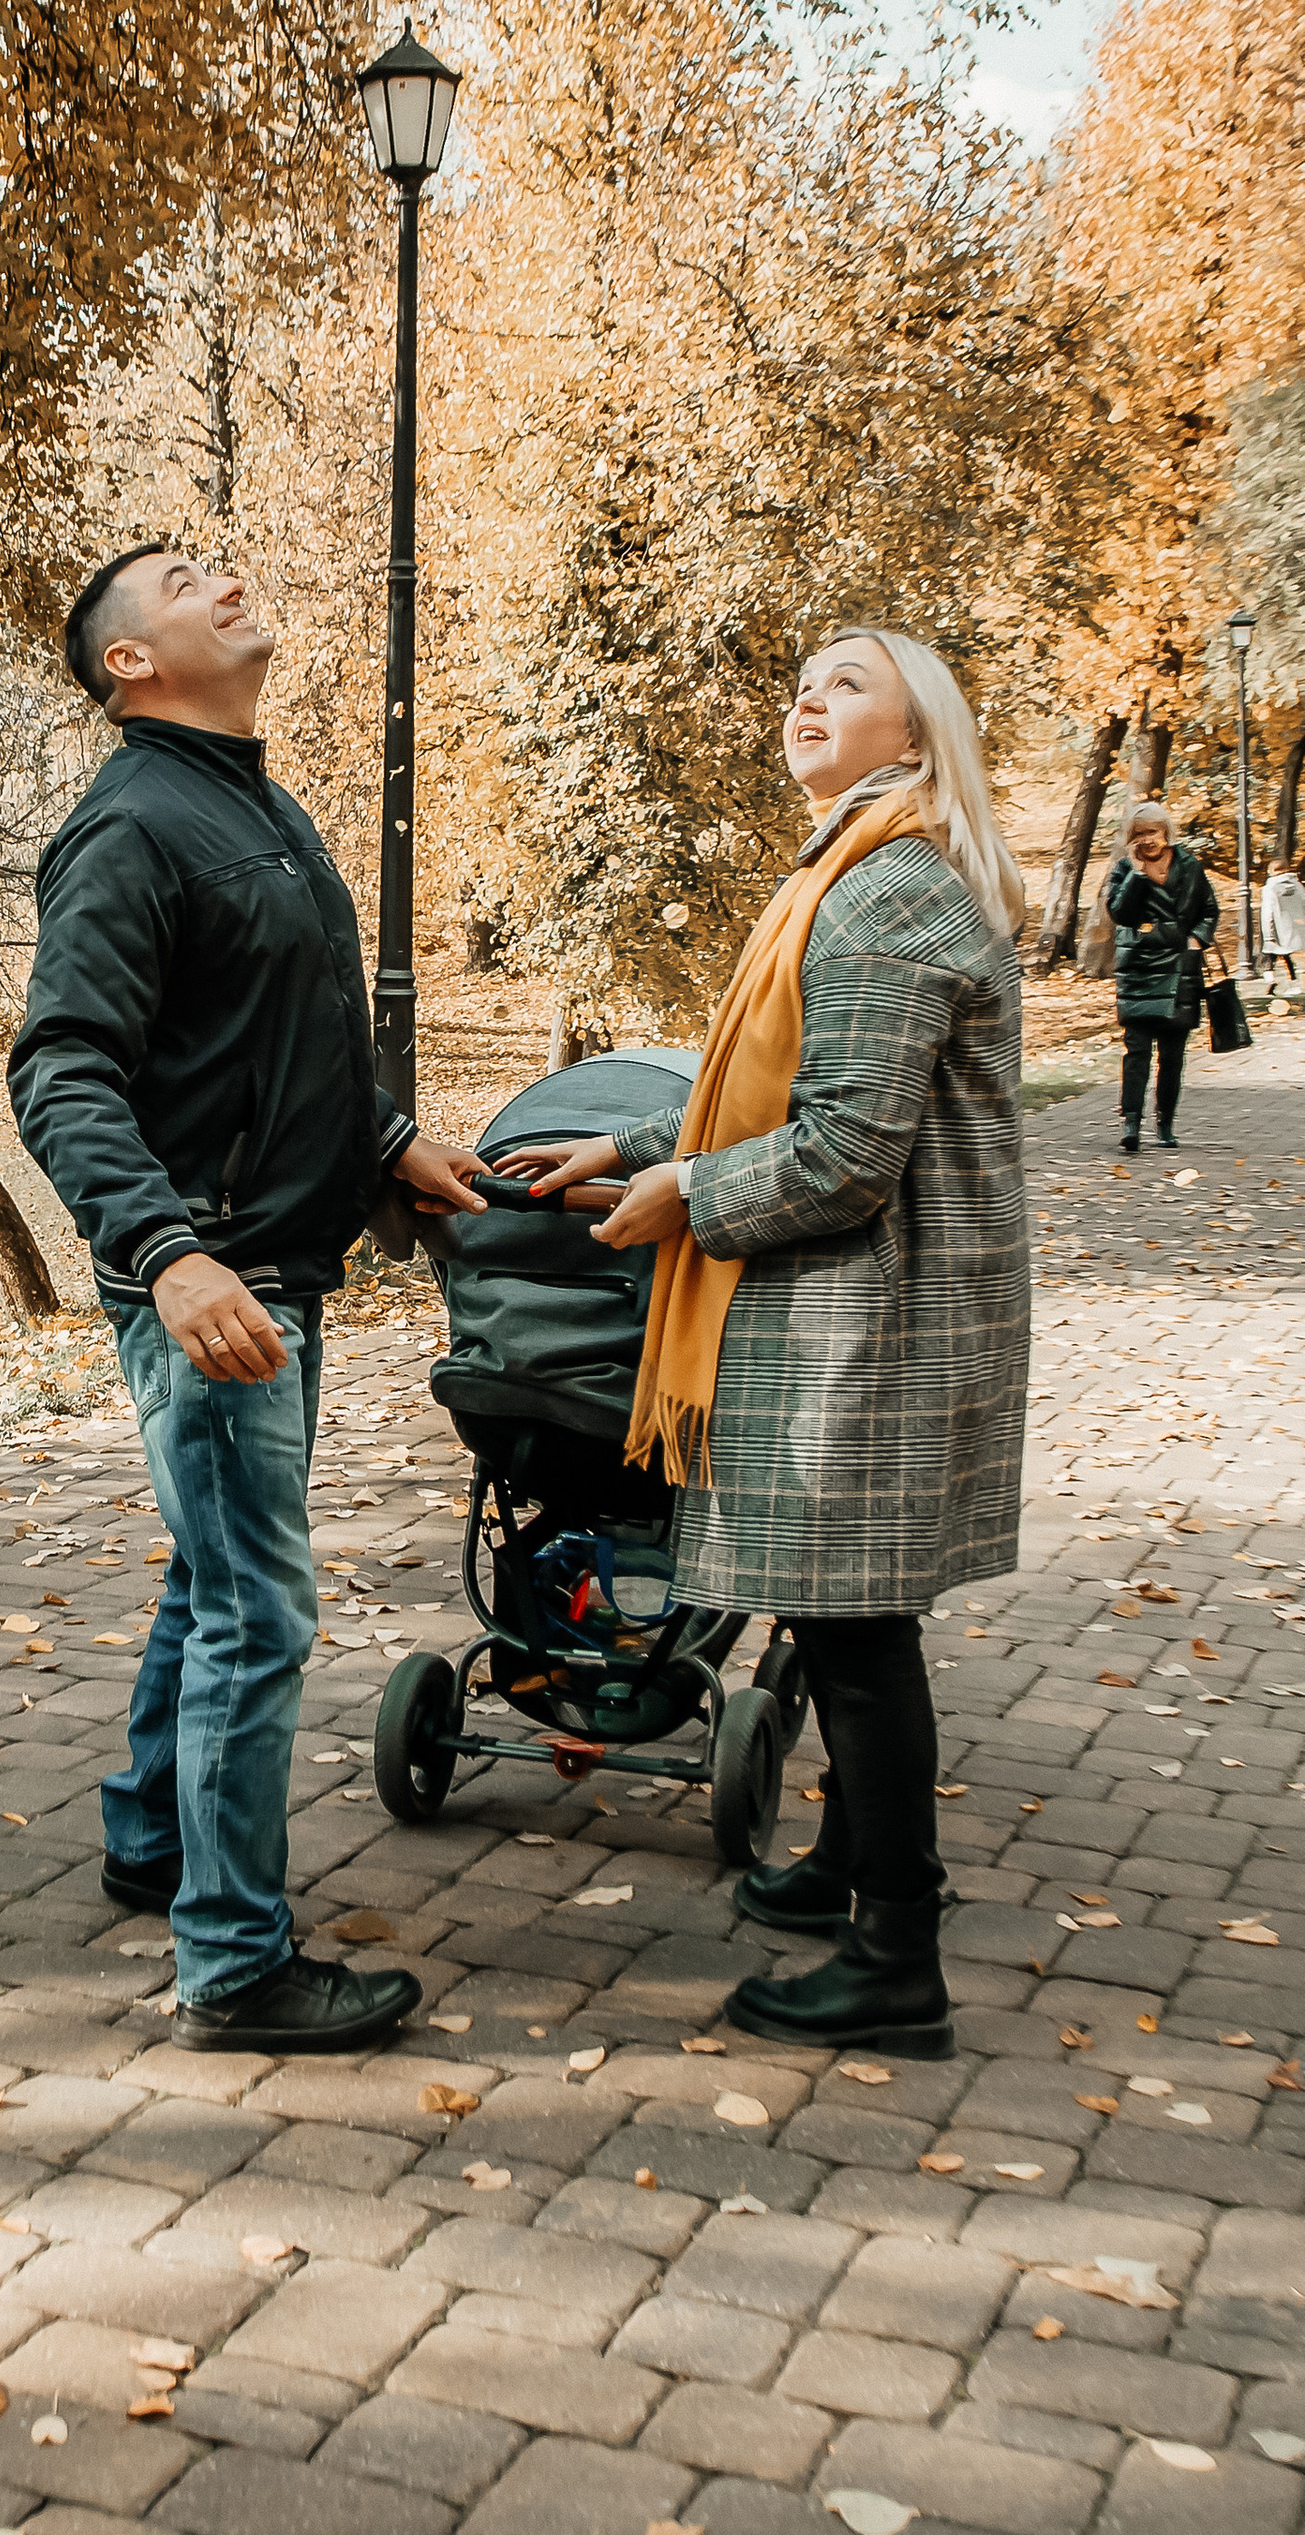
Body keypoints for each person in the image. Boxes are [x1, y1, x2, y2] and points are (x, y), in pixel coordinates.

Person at [513, 629, 1030, 2062]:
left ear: (916, 741)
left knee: (855, 1630)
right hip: (862, 1310)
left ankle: (897, 1956)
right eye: (799, 678)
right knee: (841, 1602)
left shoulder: (882, 894)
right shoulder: (850, 878)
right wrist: (627, 1140)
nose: (808, 695)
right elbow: (783, 1090)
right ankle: (843, 1871)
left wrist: (681, 1193)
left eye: (849, 683)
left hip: (870, 1316)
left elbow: (846, 1156)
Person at [8, 540, 486, 2053]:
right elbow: (62, 1066)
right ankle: (231, 1962)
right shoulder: (131, 825)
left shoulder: (252, 802)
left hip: (269, 1260)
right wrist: (171, 1249)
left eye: (219, 560)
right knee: (252, 1607)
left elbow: (267, 1042)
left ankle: (153, 1843)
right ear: (125, 664)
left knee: (207, 1574)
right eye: (182, 576)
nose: (224, 577)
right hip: (212, 1279)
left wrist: (390, 1140)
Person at [1104, 801, 1217, 1151]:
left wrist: (1197, 938)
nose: (1147, 840)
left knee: (1172, 1054)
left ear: (1166, 831)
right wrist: (1137, 874)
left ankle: (1165, 1122)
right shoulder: (1125, 868)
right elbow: (1120, 913)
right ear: (1131, 839)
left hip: (1181, 968)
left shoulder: (1189, 865)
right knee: (1136, 1049)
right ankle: (1131, 1123)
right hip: (1139, 969)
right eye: (1139, 834)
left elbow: (1209, 909)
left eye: (1152, 832)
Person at [1258, 852, 1303, 997]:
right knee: (1285, 956)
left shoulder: (1270, 888)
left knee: (1269, 954)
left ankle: (1270, 981)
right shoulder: (1296, 884)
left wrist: (1267, 933)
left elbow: (1267, 912)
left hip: (1275, 928)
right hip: (1291, 928)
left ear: (1271, 871)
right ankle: (1293, 983)